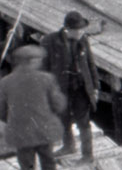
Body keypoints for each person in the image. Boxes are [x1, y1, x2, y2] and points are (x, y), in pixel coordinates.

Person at [0, 45, 66, 170]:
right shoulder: (46, 79)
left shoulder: (5, 82)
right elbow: (59, 105)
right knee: (48, 162)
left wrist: (13, 119)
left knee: (26, 165)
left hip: (20, 133)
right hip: (43, 130)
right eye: (39, 60)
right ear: (32, 61)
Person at [41, 11, 100, 162]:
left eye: (82, 29)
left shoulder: (83, 40)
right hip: (61, 88)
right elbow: (44, 68)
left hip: (81, 88)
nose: (81, 32)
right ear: (67, 29)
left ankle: (88, 155)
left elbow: (90, 64)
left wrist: (95, 86)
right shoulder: (49, 41)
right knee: (63, 118)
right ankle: (69, 146)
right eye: (78, 29)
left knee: (83, 122)